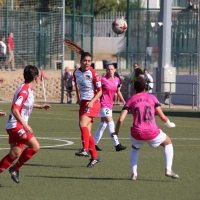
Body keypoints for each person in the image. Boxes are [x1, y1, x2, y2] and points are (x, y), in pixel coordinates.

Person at [115, 77, 179, 180]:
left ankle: (134, 173)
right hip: (152, 132)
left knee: (135, 148)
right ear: (145, 87)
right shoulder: (152, 98)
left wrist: (116, 131)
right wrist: (169, 124)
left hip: (137, 133)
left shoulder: (131, 99)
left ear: (134, 88)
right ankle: (168, 169)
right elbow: (162, 117)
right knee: (168, 143)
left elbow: (121, 119)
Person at [0, 65, 51, 186]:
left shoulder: (26, 88)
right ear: (37, 78)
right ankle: (16, 168)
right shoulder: (25, 90)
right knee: (35, 146)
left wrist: (40, 106)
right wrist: (25, 125)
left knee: (15, 153)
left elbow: (25, 104)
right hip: (16, 125)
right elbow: (15, 109)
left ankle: (13, 168)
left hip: (13, 125)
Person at [73, 52, 102, 168]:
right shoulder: (76, 73)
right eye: (85, 60)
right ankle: (94, 157)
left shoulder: (93, 73)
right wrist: (79, 98)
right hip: (84, 102)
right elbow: (76, 85)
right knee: (87, 132)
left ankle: (85, 149)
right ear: (81, 61)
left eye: (89, 61)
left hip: (93, 102)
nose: (87, 63)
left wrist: (92, 101)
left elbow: (100, 91)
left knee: (82, 124)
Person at [94, 64, 126, 152]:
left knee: (103, 125)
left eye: (111, 69)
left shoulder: (117, 80)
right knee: (111, 123)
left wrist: (123, 101)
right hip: (103, 104)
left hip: (109, 105)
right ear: (106, 71)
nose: (110, 71)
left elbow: (117, 91)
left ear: (114, 70)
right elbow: (97, 90)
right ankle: (117, 145)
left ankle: (93, 144)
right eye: (108, 69)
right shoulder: (103, 80)